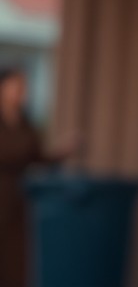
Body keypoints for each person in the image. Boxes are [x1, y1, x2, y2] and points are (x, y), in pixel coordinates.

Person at [0, 68, 78, 287]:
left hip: (17, 197)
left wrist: (63, 151)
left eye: (23, 87)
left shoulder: (26, 123)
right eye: (15, 86)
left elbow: (37, 158)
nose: (21, 92)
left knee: (14, 257)